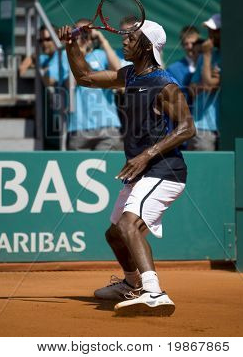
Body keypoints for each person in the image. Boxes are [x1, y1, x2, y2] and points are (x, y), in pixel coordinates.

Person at [58, 19, 195, 316]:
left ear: (146, 45)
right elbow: (85, 77)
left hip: (165, 171)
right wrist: (71, 45)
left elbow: (187, 128)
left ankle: (154, 292)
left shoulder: (165, 84)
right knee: (115, 235)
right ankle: (131, 284)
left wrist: (147, 155)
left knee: (128, 225)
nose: (124, 41)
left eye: (131, 37)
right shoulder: (130, 75)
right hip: (143, 171)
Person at [65, 19, 123, 151]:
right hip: (79, 126)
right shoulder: (67, 54)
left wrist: (103, 40)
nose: (83, 34)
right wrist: (77, 51)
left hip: (107, 124)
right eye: (79, 31)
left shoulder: (101, 55)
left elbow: (118, 71)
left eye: (86, 31)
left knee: (107, 168)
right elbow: (71, 81)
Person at [187, 14, 221, 151]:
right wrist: (210, 81)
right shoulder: (205, 55)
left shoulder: (231, 56)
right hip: (203, 127)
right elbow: (193, 88)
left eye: (215, 30)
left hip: (226, 128)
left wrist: (211, 82)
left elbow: (208, 85)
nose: (210, 34)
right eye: (209, 30)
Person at [166, 25, 203, 108]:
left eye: (193, 43)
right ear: (182, 46)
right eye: (186, 44)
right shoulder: (172, 70)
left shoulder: (209, 65)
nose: (190, 47)